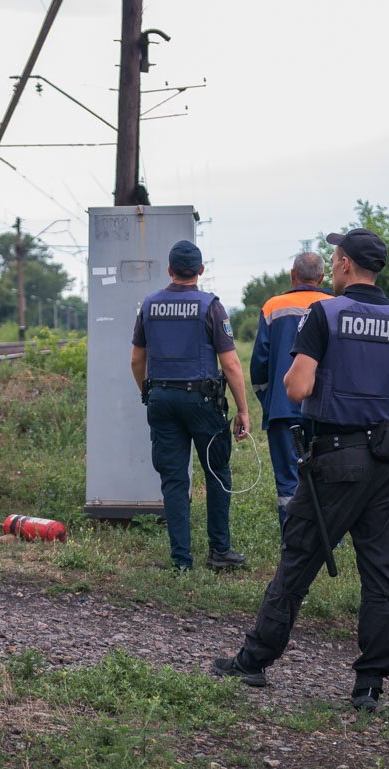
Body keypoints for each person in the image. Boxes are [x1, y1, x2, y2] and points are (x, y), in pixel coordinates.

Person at [212, 228, 389, 712]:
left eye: (336, 256)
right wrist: (377, 425)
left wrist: (331, 403)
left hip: (334, 459)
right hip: (387, 466)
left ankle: (253, 662)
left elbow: (296, 386)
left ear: (348, 264)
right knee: (382, 575)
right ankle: (369, 685)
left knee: (298, 560)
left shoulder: (324, 313)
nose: (332, 263)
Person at [130, 240, 251, 572]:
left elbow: (136, 359)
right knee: (216, 472)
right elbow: (231, 365)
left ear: (169, 270)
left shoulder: (150, 305)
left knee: (173, 478)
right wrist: (243, 409)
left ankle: (181, 560)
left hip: (161, 400)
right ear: (200, 270)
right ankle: (219, 552)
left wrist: (147, 393)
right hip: (202, 401)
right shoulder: (210, 306)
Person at [252, 252, 333, 526]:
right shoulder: (337, 305)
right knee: (327, 476)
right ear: (322, 277)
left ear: (292, 274)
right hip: (326, 411)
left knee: (288, 482)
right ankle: (326, 541)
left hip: (283, 409)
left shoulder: (273, 307)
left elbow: (259, 364)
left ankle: (293, 541)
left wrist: (269, 399)